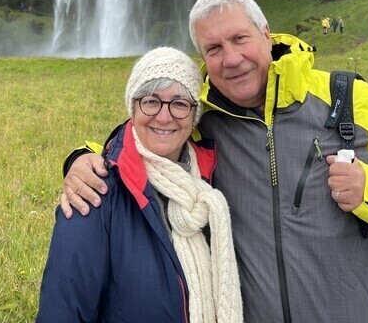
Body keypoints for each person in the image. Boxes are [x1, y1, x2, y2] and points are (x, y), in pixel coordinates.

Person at [62, 0, 368, 323]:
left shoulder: (346, 100)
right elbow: (147, 138)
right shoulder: (203, 120)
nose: (231, 59)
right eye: (213, 48)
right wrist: (84, 157)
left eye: (240, 39)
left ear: (265, 34)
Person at [36, 46, 243, 323]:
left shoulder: (212, 185)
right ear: (133, 108)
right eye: (151, 101)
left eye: (180, 103)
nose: (164, 116)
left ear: (194, 115)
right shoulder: (94, 194)